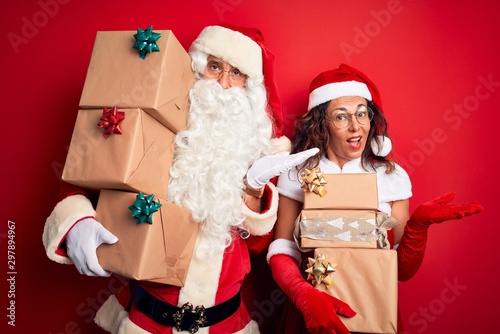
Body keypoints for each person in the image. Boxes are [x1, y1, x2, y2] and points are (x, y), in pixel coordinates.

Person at [42, 24, 317, 333]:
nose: (224, 83)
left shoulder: (259, 149)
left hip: (225, 324)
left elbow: (256, 245)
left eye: (237, 73)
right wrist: (77, 223)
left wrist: (253, 189)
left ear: (249, 87)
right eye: (215, 67)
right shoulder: (153, 123)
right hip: (147, 321)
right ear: (198, 68)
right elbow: (87, 173)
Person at [265, 63, 484, 334]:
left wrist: (417, 228)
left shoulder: (392, 176)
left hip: (374, 313)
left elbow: (401, 271)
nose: (356, 126)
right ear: (322, 123)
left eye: (361, 114)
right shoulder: (298, 172)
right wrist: (302, 294)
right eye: (341, 117)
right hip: (312, 314)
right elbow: (282, 249)